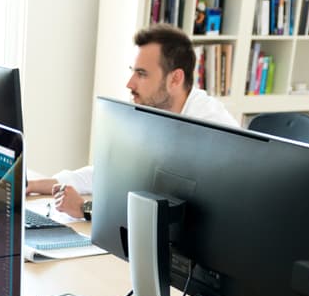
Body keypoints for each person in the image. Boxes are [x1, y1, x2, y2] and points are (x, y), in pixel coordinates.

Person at [26, 24, 238, 218]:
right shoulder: (157, 110)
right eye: (132, 72)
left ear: (175, 79)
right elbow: (114, 171)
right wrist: (36, 184)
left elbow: (179, 215)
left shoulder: (213, 133)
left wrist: (85, 209)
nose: (130, 84)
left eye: (142, 74)